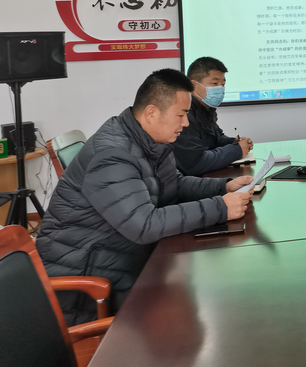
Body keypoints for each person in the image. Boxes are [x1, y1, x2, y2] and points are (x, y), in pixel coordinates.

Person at [36, 69, 254, 325]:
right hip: (89, 284)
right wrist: (220, 208)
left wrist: (224, 187)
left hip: (122, 256)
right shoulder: (112, 154)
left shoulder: (151, 140)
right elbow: (144, 225)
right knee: (197, 307)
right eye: (181, 114)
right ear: (151, 113)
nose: (186, 123)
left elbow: (175, 184)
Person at [173, 56, 254, 176]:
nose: (220, 89)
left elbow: (215, 140)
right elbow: (194, 163)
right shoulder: (184, 115)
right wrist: (237, 150)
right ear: (193, 85)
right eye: (215, 83)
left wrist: (234, 142)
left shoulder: (206, 109)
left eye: (223, 84)